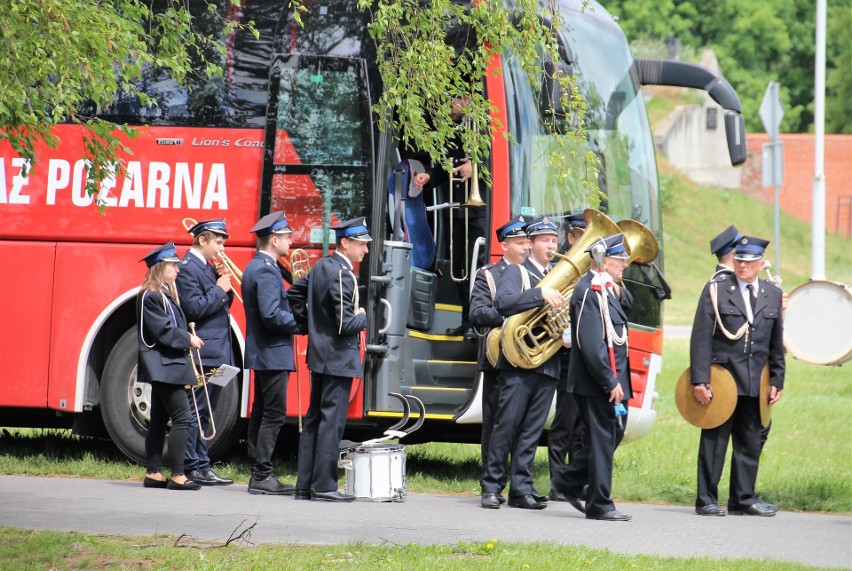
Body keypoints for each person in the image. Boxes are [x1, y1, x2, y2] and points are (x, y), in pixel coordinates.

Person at [691, 235, 785, 517]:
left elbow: (775, 342)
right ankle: (706, 499)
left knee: (750, 440)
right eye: (739, 260)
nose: (742, 266)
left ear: (760, 264)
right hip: (722, 378)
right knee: (714, 441)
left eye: (748, 262)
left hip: (757, 379)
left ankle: (743, 499)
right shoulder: (717, 289)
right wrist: (700, 380)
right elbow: (700, 338)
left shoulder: (773, 293)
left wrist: (778, 379)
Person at [480, 216, 564, 510]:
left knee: (531, 430)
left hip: (547, 362)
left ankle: (521, 489)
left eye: (554, 240)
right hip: (516, 364)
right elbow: (503, 304)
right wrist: (538, 294)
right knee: (506, 425)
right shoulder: (517, 272)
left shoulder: (561, 276)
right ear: (530, 244)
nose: (551, 245)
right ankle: (491, 487)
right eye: (544, 240)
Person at [550, 233, 634, 521]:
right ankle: (599, 503)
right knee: (602, 438)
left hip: (612, 377)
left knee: (613, 433)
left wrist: (615, 286)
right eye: (620, 259)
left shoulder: (606, 288)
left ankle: (568, 480)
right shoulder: (588, 292)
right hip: (597, 380)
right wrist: (609, 381)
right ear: (604, 260)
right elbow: (590, 343)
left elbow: (629, 305)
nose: (625, 265)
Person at [288, 217, 371, 502]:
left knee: (314, 420)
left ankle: (305, 485)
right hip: (338, 357)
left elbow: (294, 294)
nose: (365, 251)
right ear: (345, 243)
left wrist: (308, 325)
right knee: (331, 422)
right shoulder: (342, 274)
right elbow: (345, 324)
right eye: (361, 245)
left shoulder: (321, 265)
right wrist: (362, 317)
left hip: (321, 355)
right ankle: (323, 485)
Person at [413, 95, 486, 342]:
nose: (447, 110)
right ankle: (466, 320)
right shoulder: (456, 131)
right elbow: (448, 166)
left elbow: (500, 157)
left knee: (477, 268)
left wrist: (475, 166)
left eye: (451, 103)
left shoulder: (486, 126)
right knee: (460, 268)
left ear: (466, 100)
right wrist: (429, 179)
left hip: (478, 212)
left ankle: (477, 322)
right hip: (457, 209)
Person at [468, 215, 530, 503]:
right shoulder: (489, 275)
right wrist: (511, 313)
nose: (524, 247)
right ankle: (491, 486)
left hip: (527, 358)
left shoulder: (534, 274)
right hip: (497, 359)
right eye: (519, 242)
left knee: (523, 424)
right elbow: (477, 313)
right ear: (504, 244)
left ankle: (520, 485)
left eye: (527, 242)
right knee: (495, 424)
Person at [241, 211, 302, 495]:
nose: (291, 241)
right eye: (287, 237)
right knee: (273, 414)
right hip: (273, 351)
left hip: (265, 351)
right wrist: (301, 323)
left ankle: (257, 470)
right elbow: (270, 315)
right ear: (274, 239)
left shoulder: (258, 266)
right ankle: (262, 474)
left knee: (262, 410)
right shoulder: (266, 269)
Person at [136, 242, 203, 491]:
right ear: (160, 267)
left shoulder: (163, 294)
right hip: (165, 366)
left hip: (170, 364)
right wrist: (189, 339)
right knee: (183, 418)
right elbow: (163, 331)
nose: (177, 270)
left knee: (159, 419)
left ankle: (153, 472)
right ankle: (178, 475)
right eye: (173, 266)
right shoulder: (150, 296)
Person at [175, 218, 235, 486]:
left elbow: (221, 302)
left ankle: (203, 465)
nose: (221, 248)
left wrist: (224, 285)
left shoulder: (208, 268)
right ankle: (193, 466)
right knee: (197, 410)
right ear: (202, 240)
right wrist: (219, 289)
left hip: (221, 352)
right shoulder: (188, 269)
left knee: (208, 411)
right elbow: (193, 309)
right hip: (205, 352)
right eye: (218, 242)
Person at [547, 212, 588, 499]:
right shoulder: (559, 270)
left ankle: (577, 480)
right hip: (566, 354)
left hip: (589, 358)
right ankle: (557, 481)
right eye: (582, 237)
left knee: (583, 426)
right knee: (564, 421)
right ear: (571, 237)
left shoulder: (595, 272)